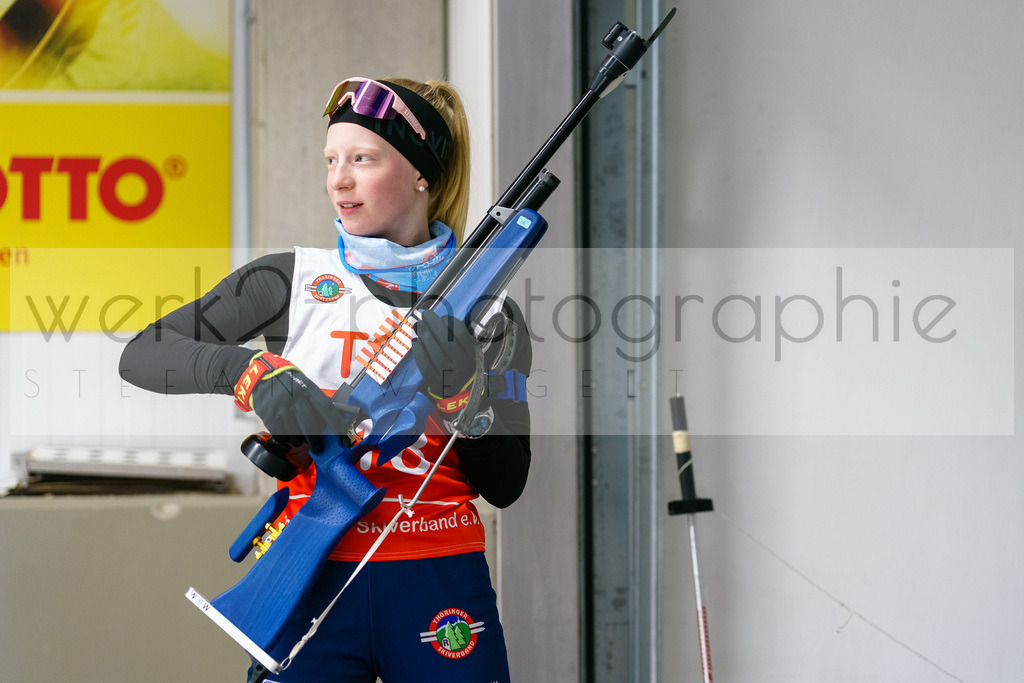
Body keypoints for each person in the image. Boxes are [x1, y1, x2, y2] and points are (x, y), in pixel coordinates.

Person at [119, 76, 531, 682]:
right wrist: (252, 374)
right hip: (310, 568)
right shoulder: (290, 280)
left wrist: (464, 396)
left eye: (363, 159)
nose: (338, 180)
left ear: (423, 174)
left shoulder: (490, 313)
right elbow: (144, 352)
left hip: (439, 574)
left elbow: (506, 483)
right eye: (332, 159)